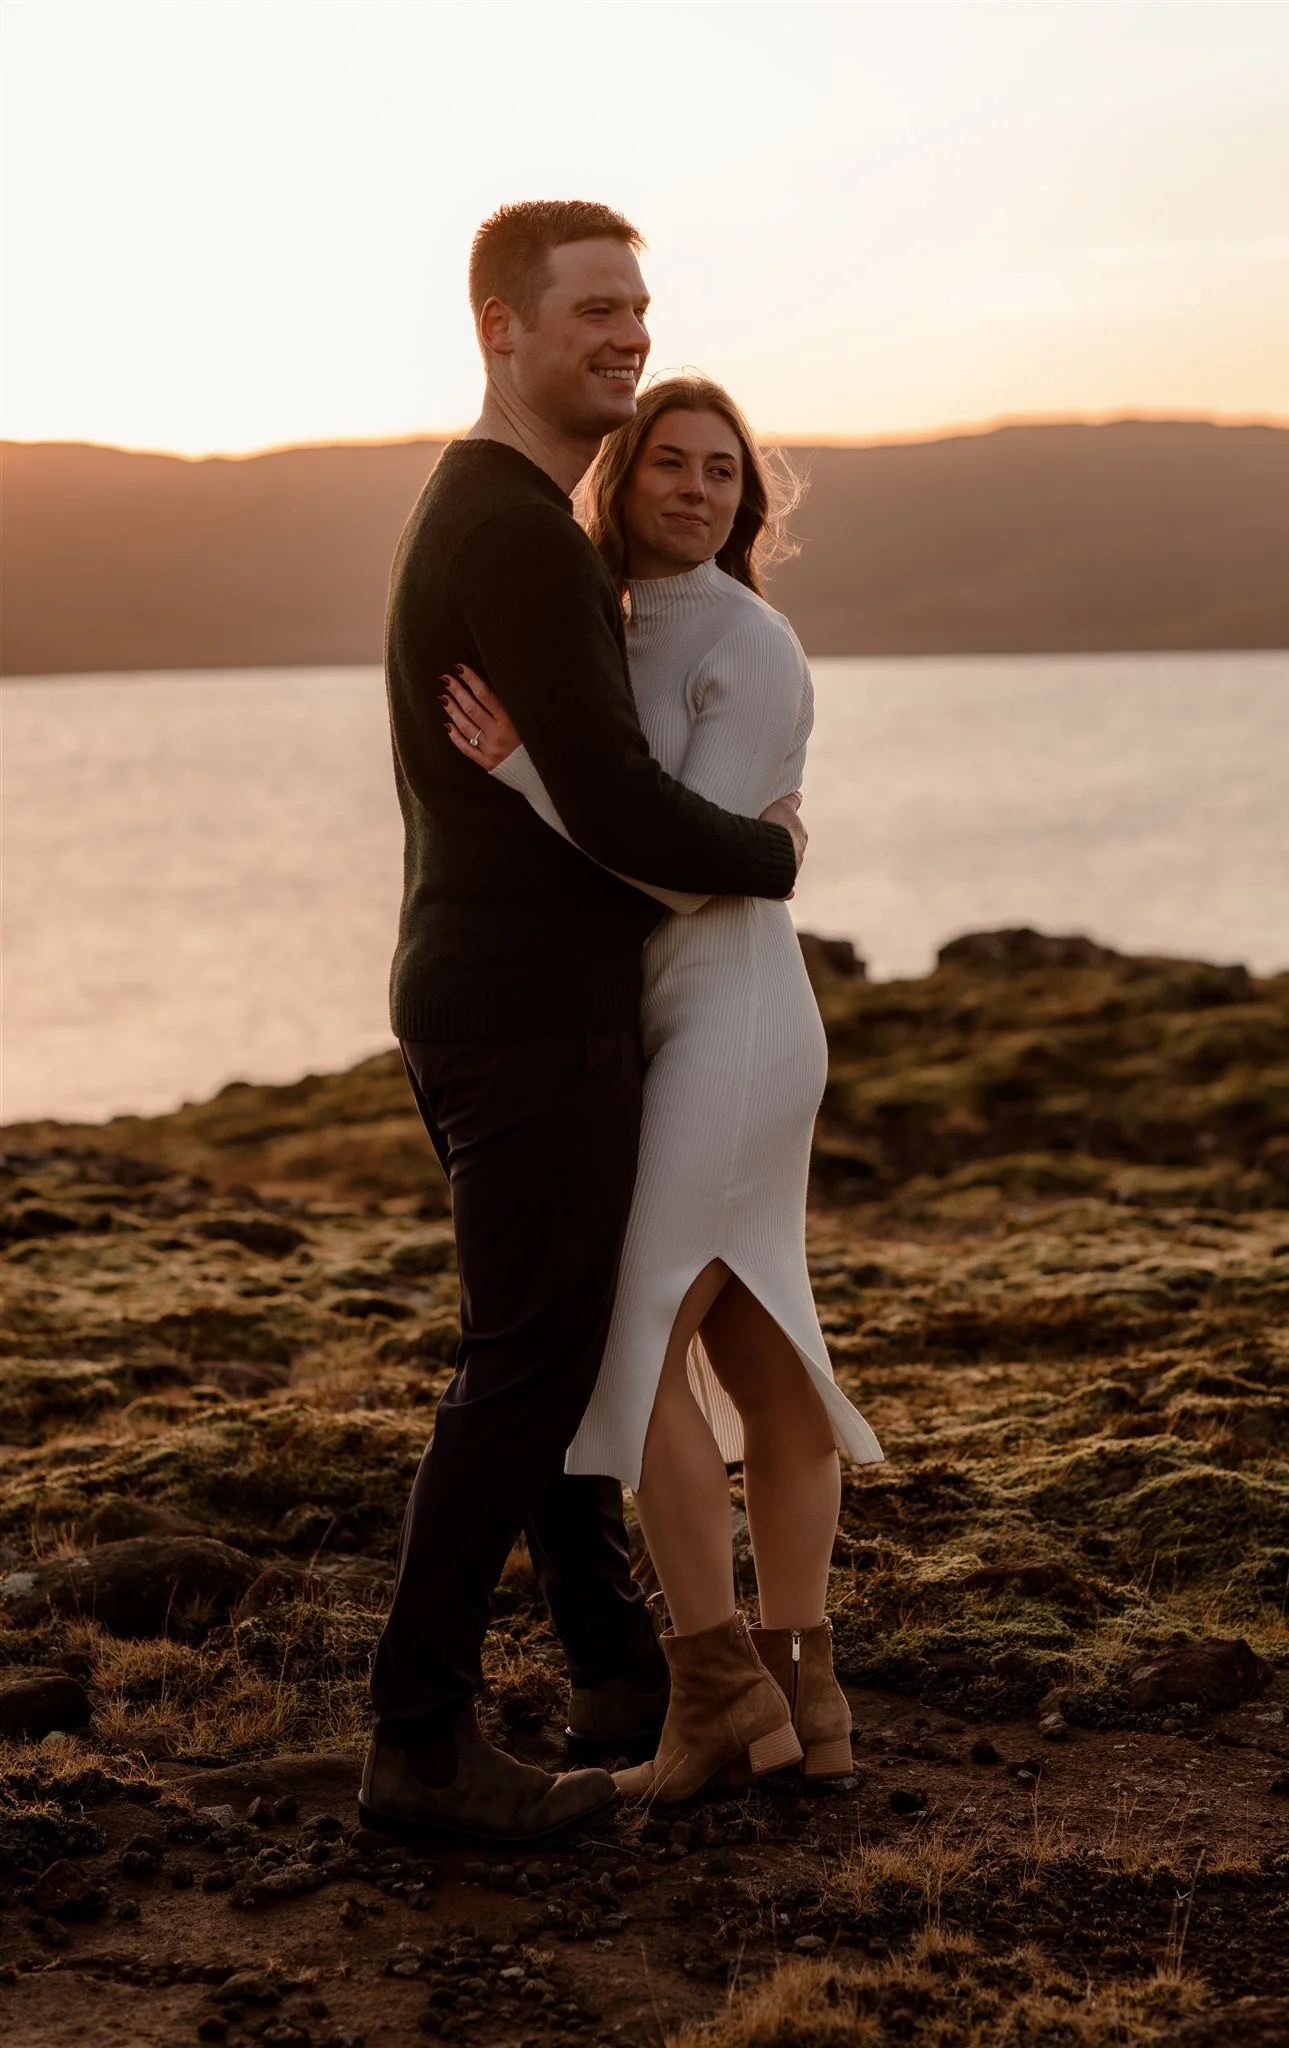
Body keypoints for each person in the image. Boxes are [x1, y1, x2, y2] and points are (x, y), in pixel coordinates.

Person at [362, 202, 807, 1849]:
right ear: (502, 326)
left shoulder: (485, 511)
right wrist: (772, 854)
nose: (626, 332)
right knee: (526, 1362)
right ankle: (415, 1744)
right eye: (594, 310)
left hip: (486, 993)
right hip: (527, 1011)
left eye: (640, 307)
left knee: (546, 1353)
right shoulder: (519, 530)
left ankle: (627, 1676)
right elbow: (620, 806)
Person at [440, 375, 883, 1807]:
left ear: (748, 502)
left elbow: (685, 860)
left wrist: (520, 778)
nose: (697, 489)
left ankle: (711, 1688)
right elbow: (656, 829)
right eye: (672, 464)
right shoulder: (614, 622)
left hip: (736, 1017)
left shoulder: (751, 644)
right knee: (757, 1350)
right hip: (682, 1012)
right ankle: (805, 1693)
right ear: (623, 474)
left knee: (640, 1342)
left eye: (723, 472)